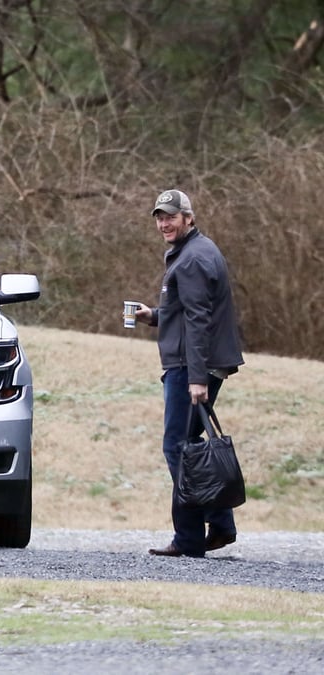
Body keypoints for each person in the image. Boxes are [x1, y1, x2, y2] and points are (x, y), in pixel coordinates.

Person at [132, 189, 244, 558]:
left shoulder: (193, 259)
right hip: (193, 362)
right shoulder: (194, 252)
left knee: (177, 446)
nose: (164, 223)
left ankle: (191, 537)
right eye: (160, 217)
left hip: (190, 366)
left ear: (188, 218)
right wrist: (155, 316)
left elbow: (199, 322)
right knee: (191, 445)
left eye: (171, 217)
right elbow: (188, 312)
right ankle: (220, 523)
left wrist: (197, 378)